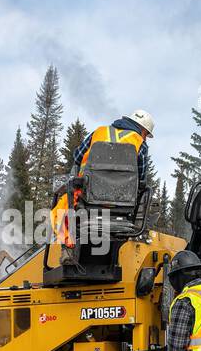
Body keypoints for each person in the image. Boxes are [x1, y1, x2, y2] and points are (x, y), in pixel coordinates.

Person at [52, 110, 154, 264]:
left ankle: (68, 251)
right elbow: (141, 179)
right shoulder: (140, 144)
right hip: (123, 205)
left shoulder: (99, 132)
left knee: (61, 211)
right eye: (146, 134)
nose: (145, 137)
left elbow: (78, 156)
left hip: (87, 199)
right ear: (143, 129)